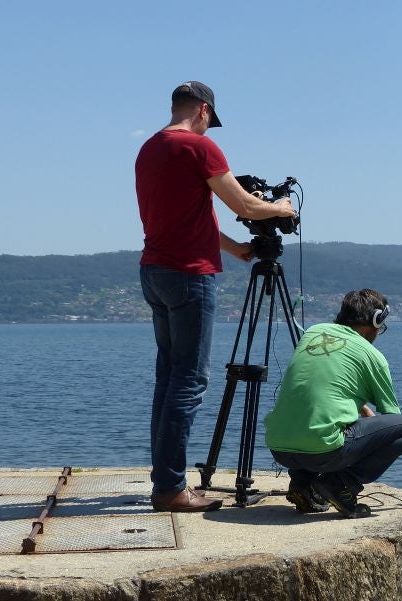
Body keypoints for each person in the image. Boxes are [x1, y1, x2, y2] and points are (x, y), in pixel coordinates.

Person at [135, 80, 297, 512]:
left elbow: (195, 217)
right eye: (210, 122)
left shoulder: (149, 149)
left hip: (155, 270)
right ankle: (170, 489)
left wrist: (238, 250)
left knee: (169, 379)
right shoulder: (199, 148)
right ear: (204, 111)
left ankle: (165, 480)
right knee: (189, 382)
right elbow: (243, 206)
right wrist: (281, 208)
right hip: (188, 276)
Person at [264, 289, 402, 518]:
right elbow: (393, 423)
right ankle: (342, 485)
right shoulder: (373, 356)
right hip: (323, 453)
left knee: (309, 419)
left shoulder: (313, 332)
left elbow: (323, 390)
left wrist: (364, 410)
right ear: (376, 320)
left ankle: (302, 484)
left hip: (279, 448)